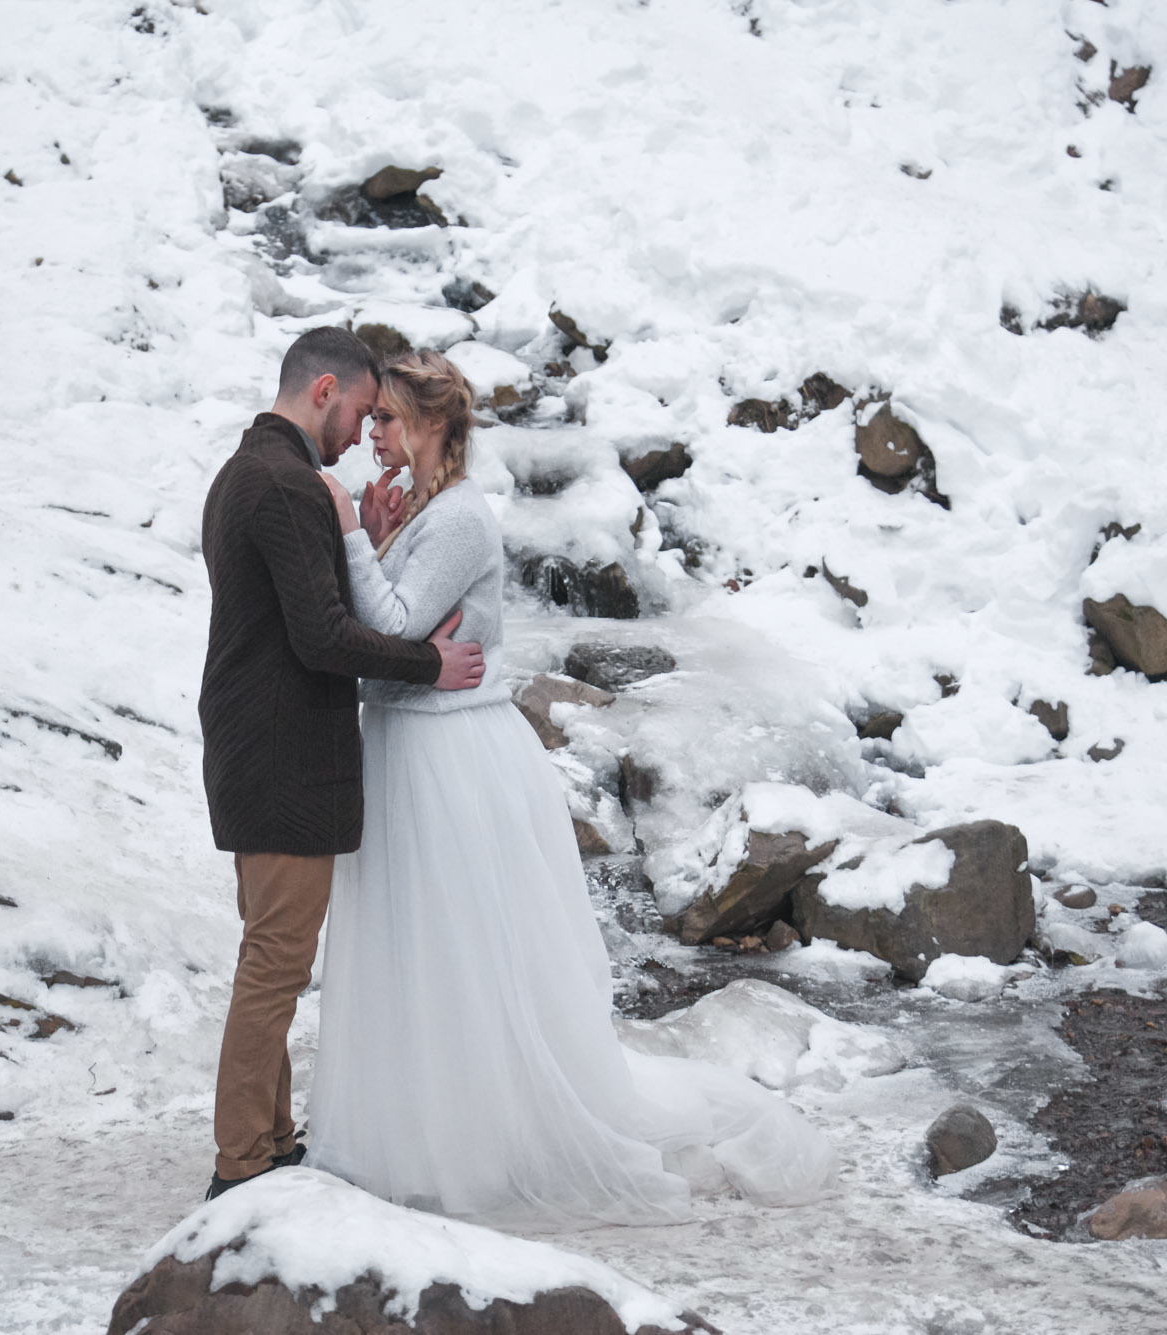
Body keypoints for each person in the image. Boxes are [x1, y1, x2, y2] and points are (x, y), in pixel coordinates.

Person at [305, 349, 839, 1227]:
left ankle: (478, 1142)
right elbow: (386, 649)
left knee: (455, 952)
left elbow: (391, 630)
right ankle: (417, 1130)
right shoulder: (418, 512)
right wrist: (371, 531)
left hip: (446, 758)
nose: (375, 437)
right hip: (405, 744)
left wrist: (357, 537)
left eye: (390, 421)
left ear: (435, 424)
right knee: (414, 951)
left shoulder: (461, 521)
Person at [198, 327, 487, 1202]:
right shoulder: (286, 484)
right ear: (324, 390)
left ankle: (274, 1139)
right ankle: (244, 1160)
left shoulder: (250, 473)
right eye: (361, 410)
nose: (363, 433)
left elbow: (306, 607)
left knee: (272, 953)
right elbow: (323, 637)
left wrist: (366, 533)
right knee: (277, 962)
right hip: (283, 758)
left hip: (256, 750)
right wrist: (429, 666)